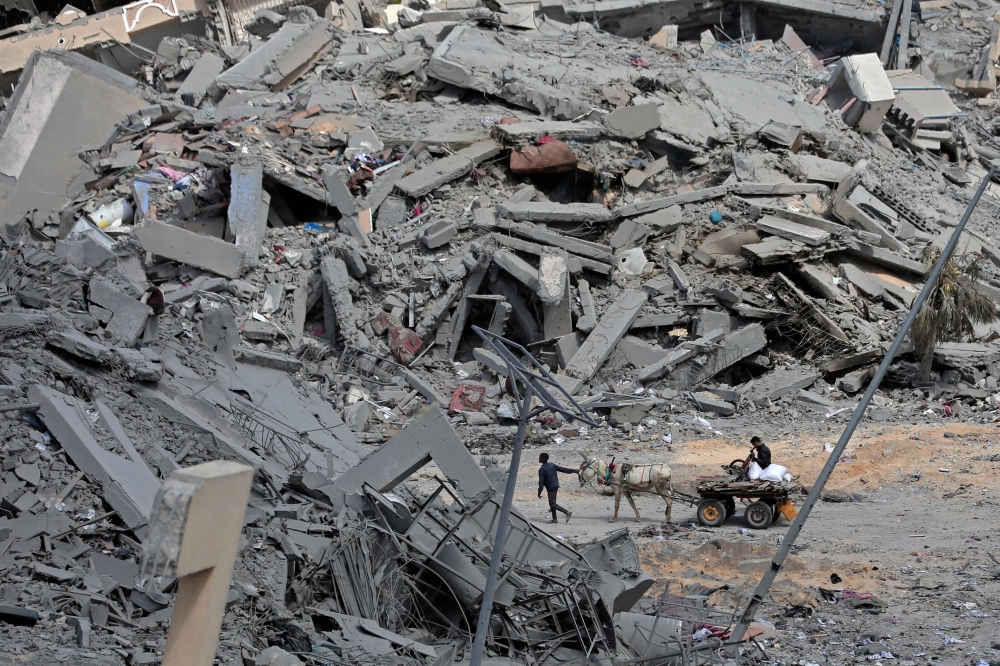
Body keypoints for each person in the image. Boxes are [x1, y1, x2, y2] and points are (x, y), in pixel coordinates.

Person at [537, 452, 575, 523]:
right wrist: (573, 471)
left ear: (542, 459)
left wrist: (539, 491)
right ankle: (554, 519)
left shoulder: (542, 469)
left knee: (552, 504)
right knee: (552, 503)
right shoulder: (552, 465)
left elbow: (541, 481)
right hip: (556, 485)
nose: (538, 458)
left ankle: (567, 512)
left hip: (550, 487)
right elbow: (562, 469)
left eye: (539, 457)